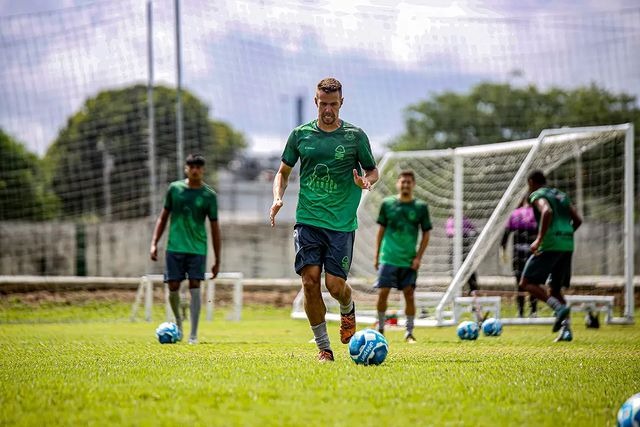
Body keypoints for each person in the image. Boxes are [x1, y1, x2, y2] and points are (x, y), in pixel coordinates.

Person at [270, 77, 378, 362]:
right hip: (308, 219)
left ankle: (347, 307)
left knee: (335, 286)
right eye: (323, 104)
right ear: (315, 102)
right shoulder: (300, 135)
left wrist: (365, 182)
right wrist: (278, 197)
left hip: (341, 224)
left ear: (341, 103)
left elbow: (372, 171)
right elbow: (282, 172)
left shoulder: (355, 137)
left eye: (333, 104)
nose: (328, 110)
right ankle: (324, 348)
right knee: (309, 281)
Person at [149, 153, 221, 344]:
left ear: (203, 170)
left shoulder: (209, 195)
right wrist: (154, 242)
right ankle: (179, 325)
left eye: (199, 166)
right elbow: (163, 217)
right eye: (192, 166)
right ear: (186, 168)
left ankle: (194, 334)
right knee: (173, 286)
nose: (195, 169)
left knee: (195, 286)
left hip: (197, 249)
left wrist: (217, 259)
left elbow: (215, 228)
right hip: (174, 247)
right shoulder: (175, 189)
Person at [519, 170, 582, 342]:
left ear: (531, 182)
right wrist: (564, 235)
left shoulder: (537, 195)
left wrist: (539, 239)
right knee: (555, 289)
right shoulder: (560, 195)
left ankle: (558, 309)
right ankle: (566, 331)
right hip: (567, 244)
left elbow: (546, 211)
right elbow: (577, 220)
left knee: (526, 282)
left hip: (550, 244)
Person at [374, 170, 431, 343]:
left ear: (413, 185)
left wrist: (418, 258)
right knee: (383, 293)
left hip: (408, 259)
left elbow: (426, 234)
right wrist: (377, 256)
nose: (405, 185)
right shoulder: (387, 204)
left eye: (409, 182)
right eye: (402, 182)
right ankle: (381, 329)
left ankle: (409, 332)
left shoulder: (420, 207)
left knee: (409, 294)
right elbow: (381, 231)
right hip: (388, 257)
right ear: (398, 184)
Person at [501, 197, 538, 318]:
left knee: (520, 284)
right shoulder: (537, 214)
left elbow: (505, 235)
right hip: (533, 254)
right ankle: (533, 312)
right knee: (533, 283)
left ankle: (521, 313)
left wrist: (503, 251)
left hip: (518, 255)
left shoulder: (515, 214)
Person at [445, 214, 478, 295]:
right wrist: (458, 232)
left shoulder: (465, 220)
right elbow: (449, 232)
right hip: (455, 248)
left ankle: (473, 290)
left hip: (465, 248)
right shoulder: (450, 220)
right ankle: (456, 290)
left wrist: (469, 233)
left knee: (469, 269)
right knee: (454, 269)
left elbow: (474, 231)